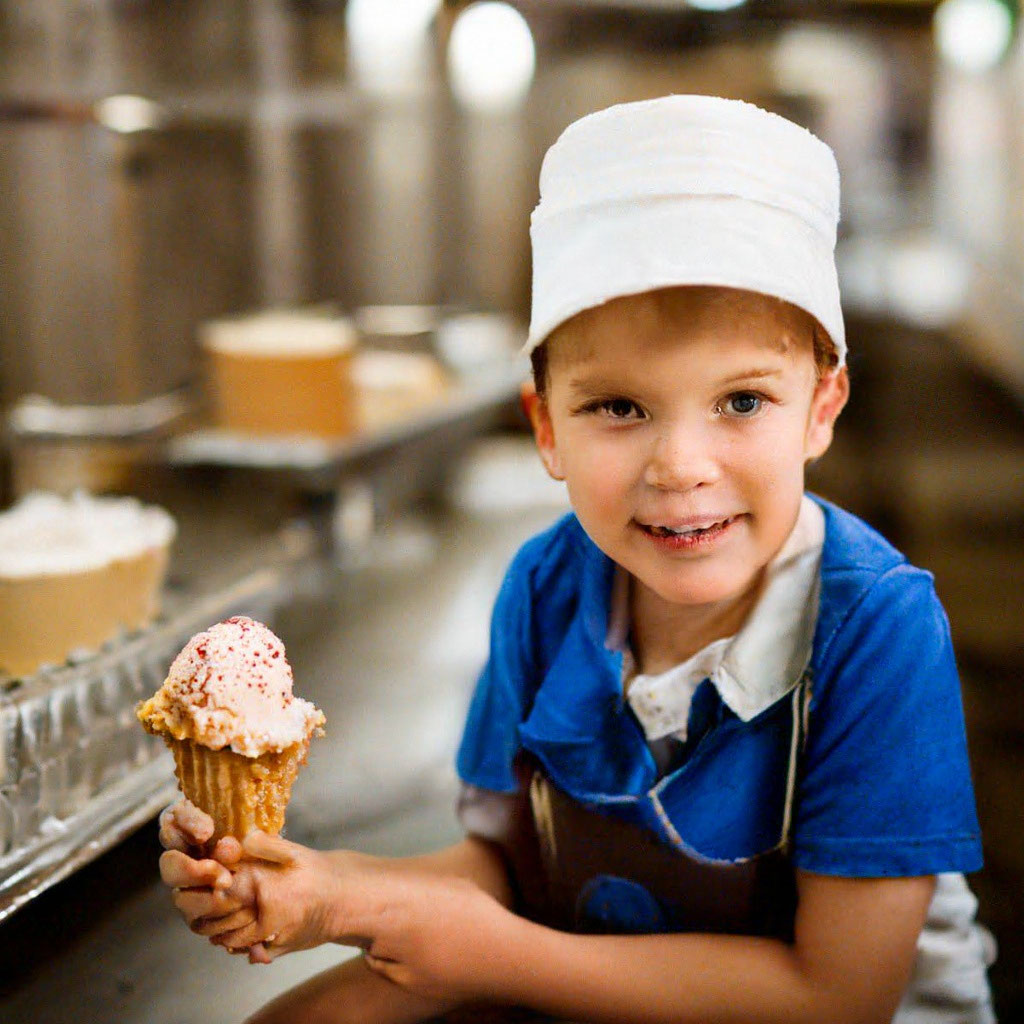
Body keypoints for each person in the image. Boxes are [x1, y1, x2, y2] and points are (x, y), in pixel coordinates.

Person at [159, 95, 995, 1023]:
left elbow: (841, 996)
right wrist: (328, 892)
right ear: (546, 427)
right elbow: (507, 865)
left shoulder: (873, 628)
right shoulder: (545, 590)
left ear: (822, 409)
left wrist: (499, 959)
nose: (681, 466)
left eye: (743, 402)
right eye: (619, 408)